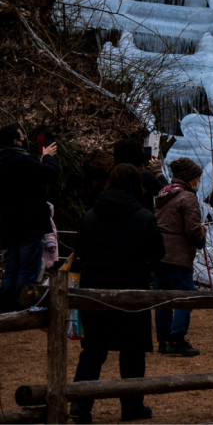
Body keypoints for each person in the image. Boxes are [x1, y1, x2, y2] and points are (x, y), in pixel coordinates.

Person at [70, 163, 166, 424]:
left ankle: (80, 403)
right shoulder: (144, 217)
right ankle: (132, 405)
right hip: (130, 288)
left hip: (94, 289)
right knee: (132, 349)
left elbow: (79, 251)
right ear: (138, 185)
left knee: (92, 349)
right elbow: (158, 253)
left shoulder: (90, 216)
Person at [0, 123, 59, 312]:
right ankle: (22, 308)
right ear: (16, 141)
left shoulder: (2, 161)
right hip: (30, 223)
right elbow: (49, 174)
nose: (25, 140)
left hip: (9, 223)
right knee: (28, 269)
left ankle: (6, 307)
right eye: (22, 138)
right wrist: (48, 158)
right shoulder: (22, 161)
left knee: (12, 268)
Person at [153, 157, 206, 356]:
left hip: (159, 252)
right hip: (178, 253)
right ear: (189, 178)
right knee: (186, 295)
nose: (198, 181)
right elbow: (192, 230)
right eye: (197, 177)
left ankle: (163, 339)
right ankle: (177, 338)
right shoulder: (188, 197)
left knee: (162, 297)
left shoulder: (163, 194)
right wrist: (201, 238)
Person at [114, 138, 167, 212]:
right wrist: (158, 172)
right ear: (138, 157)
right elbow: (167, 193)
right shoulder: (144, 176)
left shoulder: (114, 175)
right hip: (142, 220)